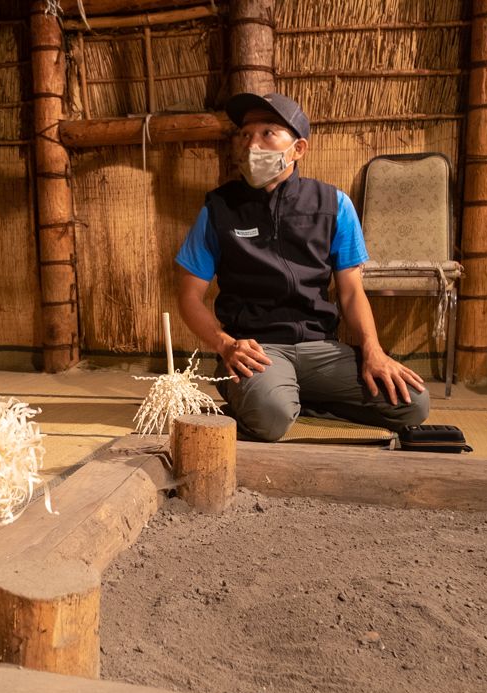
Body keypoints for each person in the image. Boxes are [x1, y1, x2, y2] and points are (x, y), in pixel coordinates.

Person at [174, 91, 430, 442]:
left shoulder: (334, 204)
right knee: (271, 417)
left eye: (268, 133)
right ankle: (273, 394)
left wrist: (373, 350)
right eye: (246, 134)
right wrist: (225, 345)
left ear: (298, 149)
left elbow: (352, 292)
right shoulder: (218, 209)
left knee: (412, 403)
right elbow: (189, 296)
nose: (252, 144)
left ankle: (295, 394)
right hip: (259, 349)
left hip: (321, 348)